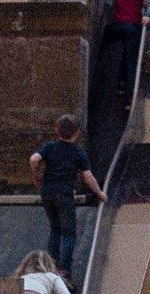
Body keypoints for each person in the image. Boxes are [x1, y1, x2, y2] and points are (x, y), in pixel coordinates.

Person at [29, 115, 102, 273]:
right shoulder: (78, 152)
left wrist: (36, 177)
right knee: (69, 232)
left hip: (47, 192)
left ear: (56, 130)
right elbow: (88, 177)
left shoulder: (50, 147)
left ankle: (50, 266)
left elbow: (34, 159)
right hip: (64, 194)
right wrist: (99, 193)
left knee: (55, 228)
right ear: (77, 133)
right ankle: (64, 270)